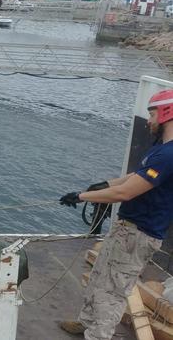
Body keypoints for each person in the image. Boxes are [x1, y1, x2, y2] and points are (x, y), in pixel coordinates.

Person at [58, 89, 173, 340]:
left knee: (113, 290)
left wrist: (81, 197)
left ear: (166, 113)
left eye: (152, 114)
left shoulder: (168, 155)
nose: (150, 120)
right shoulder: (160, 150)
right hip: (126, 229)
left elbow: (126, 193)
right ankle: (87, 323)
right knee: (100, 277)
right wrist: (103, 185)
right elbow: (134, 177)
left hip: (138, 235)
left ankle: (98, 336)